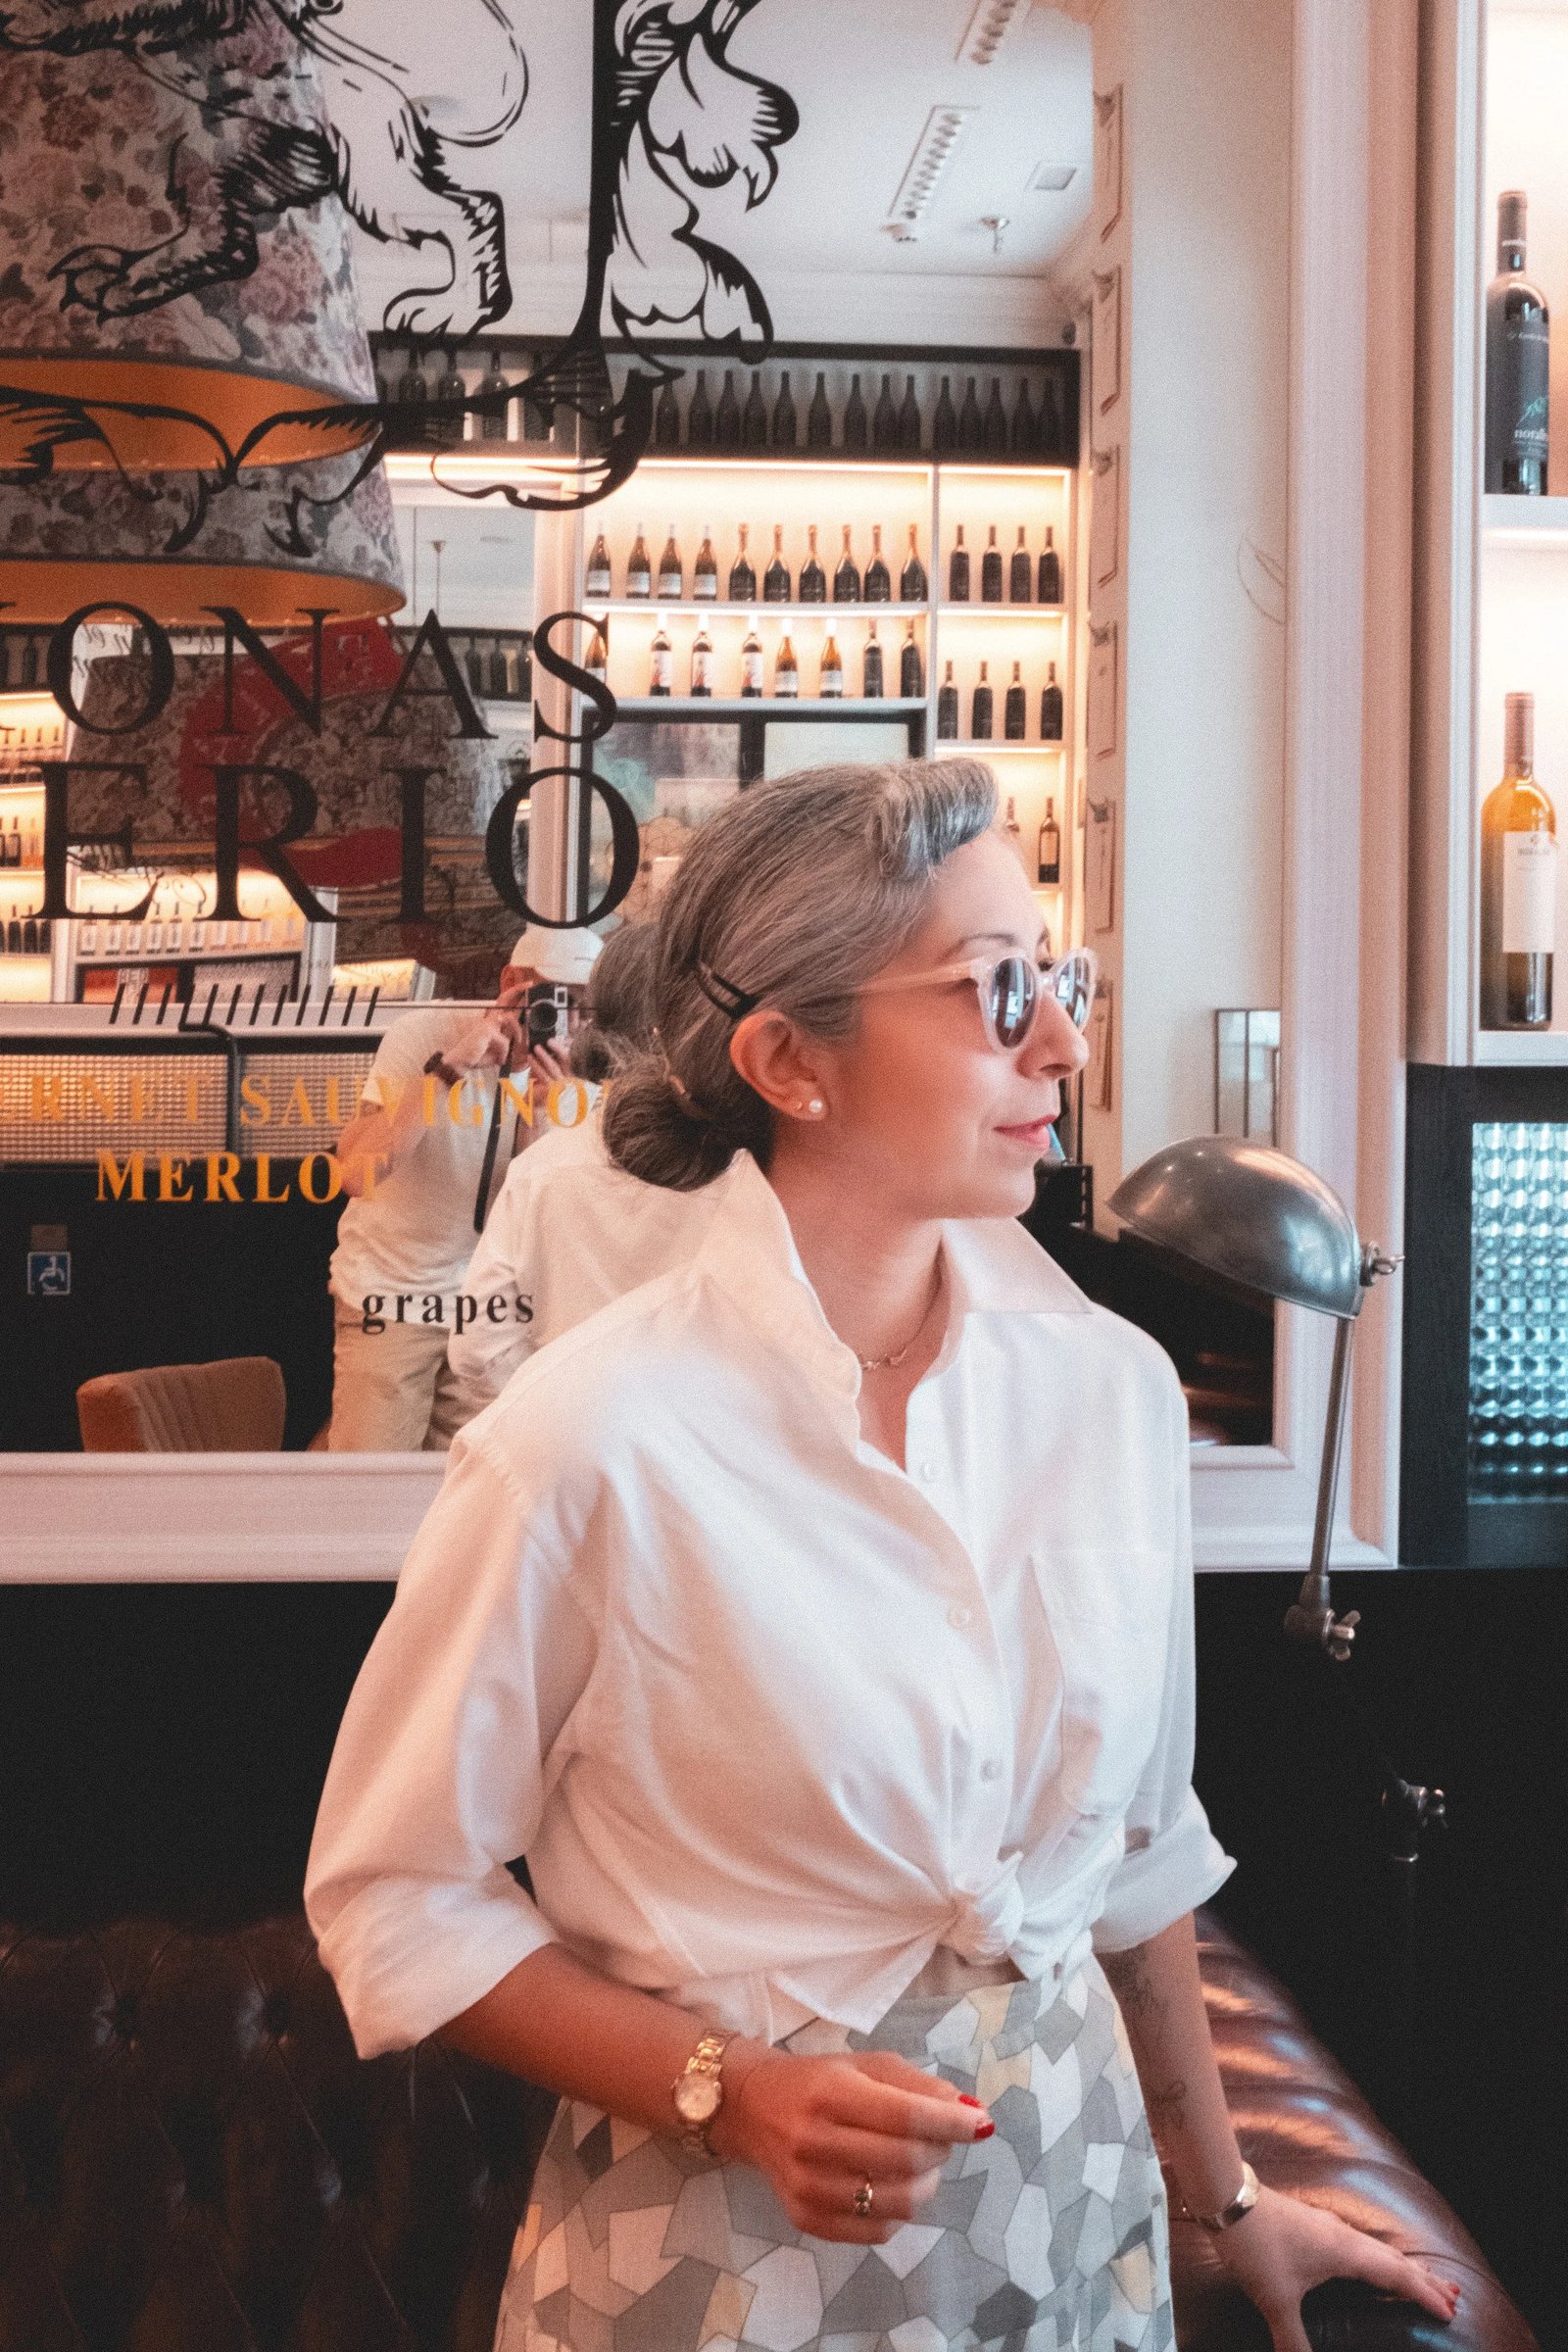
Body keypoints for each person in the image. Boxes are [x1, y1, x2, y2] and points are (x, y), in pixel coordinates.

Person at [305, 760, 1461, 2352]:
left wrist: (1231, 2200)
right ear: (791, 1059)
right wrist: (731, 2090)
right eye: (999, 992)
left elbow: (1132, 1855)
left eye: (1058, 981)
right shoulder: (590, 1440)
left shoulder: (1108, 1397)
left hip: (1074, 2225)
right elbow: (396, 1895)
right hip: (717, 2265)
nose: (1063, 1045)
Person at [324, 924, 600, 1451]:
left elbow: (539, 1220)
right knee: (369, 1481)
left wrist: (543, 1111)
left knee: (468, 1480)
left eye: (586, 1006)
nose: (570, 1021)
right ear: (511, 983)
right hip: (392, 1294)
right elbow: (357, 1172)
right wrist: (450, 1068)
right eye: (556, 997)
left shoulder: (579, 1074)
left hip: (491, 1314)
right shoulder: (427, 1035)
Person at [446, 919, 732, 1426]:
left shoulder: (545, 1168)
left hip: (570, 1436)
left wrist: (564, 1402)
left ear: (602, 1016)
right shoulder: (754, 1168)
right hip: (708, 1432)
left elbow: (477, 1350)